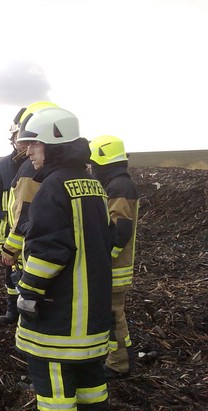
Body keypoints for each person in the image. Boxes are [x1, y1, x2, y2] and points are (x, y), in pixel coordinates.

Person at [14, 108, 114, 411]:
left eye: (35, 145)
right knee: (90, 381)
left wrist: (27, 291)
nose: (29, 151)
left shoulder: (53, 187)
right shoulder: (92, 184)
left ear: (53, 146)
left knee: (54, 388)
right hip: (91, 314)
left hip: (60, 318)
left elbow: (48, 251)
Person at [0, 101, 56, 325]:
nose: (23, 145)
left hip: (24, 233)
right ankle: (13, 310)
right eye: (18, 139)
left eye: (27, 140)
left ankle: (26, 313)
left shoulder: (34, 169)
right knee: (11, 272)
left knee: (27, 272)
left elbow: (27, 210)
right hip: (9, 229)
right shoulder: (4, 166)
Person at [89, 135, 139, 379]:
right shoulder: (119, 183)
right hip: (115, 266)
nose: (91, 168)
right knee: (114, 315)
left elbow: (120, 231)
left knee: (113, 317)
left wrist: (104, 260)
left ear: (103, 160)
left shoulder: (118, 187)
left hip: (113, 268)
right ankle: (122, 357)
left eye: (93, 163)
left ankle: (119, 364)